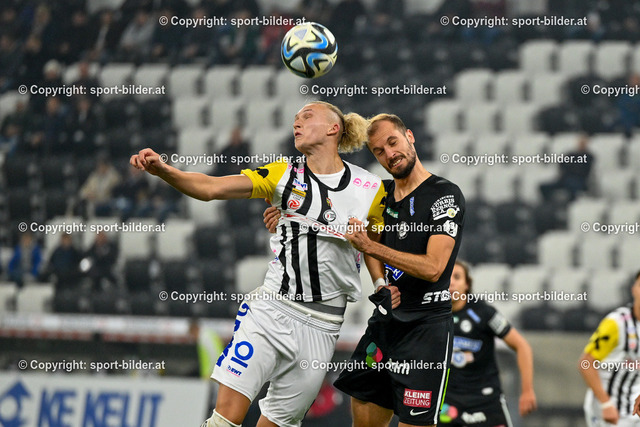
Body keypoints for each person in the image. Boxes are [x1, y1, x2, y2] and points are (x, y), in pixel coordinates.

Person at [130, 101, 387, 427]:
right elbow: (211, 188)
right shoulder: (283, 174)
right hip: (272, 311)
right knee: (224, 419)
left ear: (333, 128)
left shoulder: (370, 188)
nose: (297, 123)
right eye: (295, 119)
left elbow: (375, 243)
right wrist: (166, 171)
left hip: (324, 327)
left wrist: (380, 283)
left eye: (307, 116)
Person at [439, 260, 536, 426]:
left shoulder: (484, 313)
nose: (451, 282)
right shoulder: (431, 315)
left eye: (457, 277)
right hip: (447, 402)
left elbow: (522, 346)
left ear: (467, 284)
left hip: (486, 401)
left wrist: (527, 390)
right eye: (447, 277)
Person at [579, 271, 640, 427]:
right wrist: (605, 403)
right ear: (633, 289)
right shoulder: (617, 323)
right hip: (610, 408)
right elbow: (586, 363)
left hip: (633, 405)